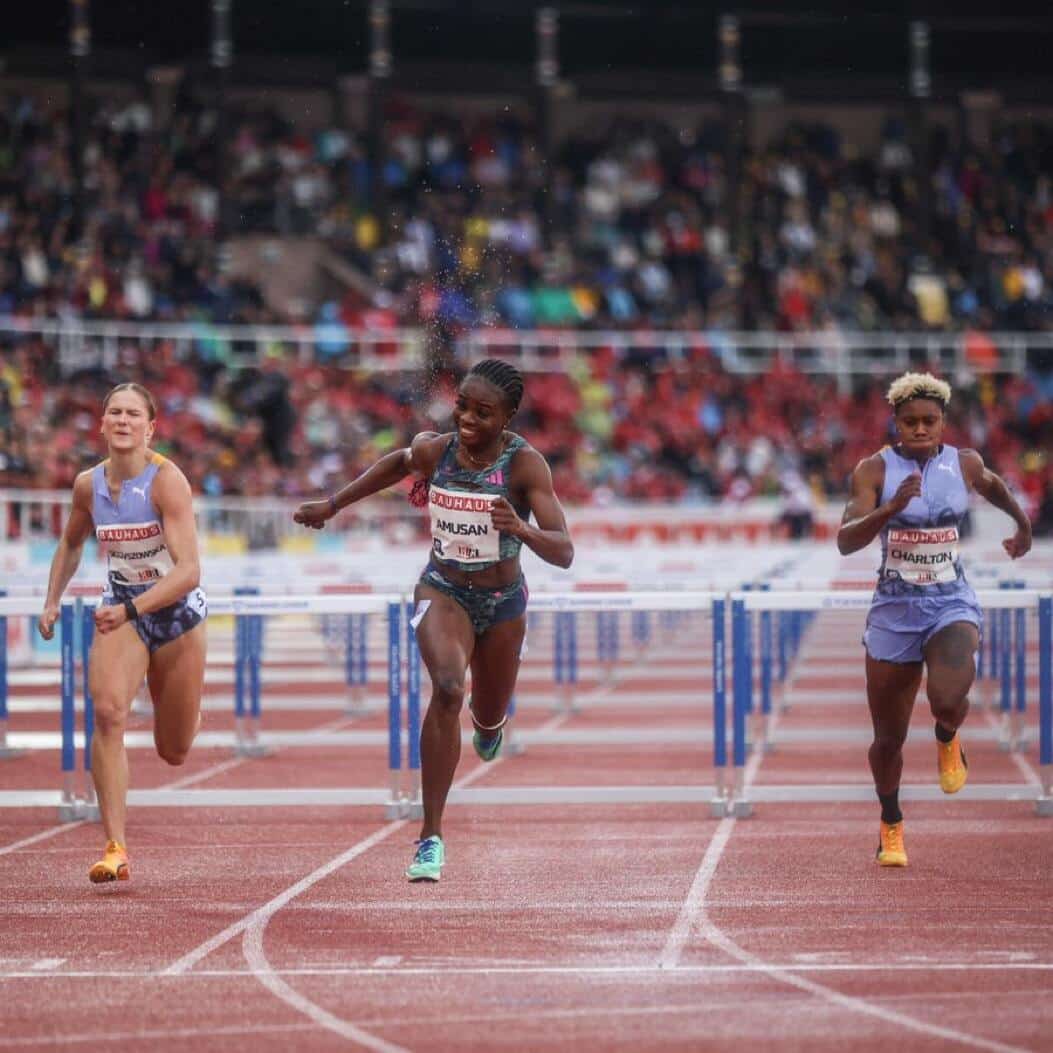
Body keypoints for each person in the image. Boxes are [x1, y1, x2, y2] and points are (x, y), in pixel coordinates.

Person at [294, 359, 574, 882]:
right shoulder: (436, 450)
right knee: (447, 688)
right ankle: (430, 836)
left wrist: (522, 529)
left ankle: (490, 723)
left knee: (487, 724)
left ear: (509, 416)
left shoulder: (525, 466)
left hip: (504, 602)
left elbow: (564, 552)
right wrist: (332, 506)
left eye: (482, 412)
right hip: (442, 590)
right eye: (462, 405)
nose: (466, 418)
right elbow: (395, 464)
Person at [837, 372, 1031, 867]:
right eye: (910, 422)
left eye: (929, 421)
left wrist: (1023, 525)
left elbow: (995, 487)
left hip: (950, 602)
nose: (920, 429)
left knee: (947, 699)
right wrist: (892, 508)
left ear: (943, 424)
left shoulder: (963, 463)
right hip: (893, 612)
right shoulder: (873, 471)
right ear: (895, 424)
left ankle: (947, 734)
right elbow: (846, 540)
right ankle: (891, 823)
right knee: (888, 740)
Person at [38, 383, 207, 884]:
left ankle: (190, 711)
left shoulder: (166, 481)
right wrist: (52, 599)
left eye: (134, 414)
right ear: (102, 423)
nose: (123, 420)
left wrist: (134, 609)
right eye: (115, 412)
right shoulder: (88, 486)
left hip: (175, 614)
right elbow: (70, 544)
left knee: (173, 750)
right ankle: (115, 846)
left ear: (151, 427)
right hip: (120, 610)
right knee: (108, 712)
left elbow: (189, 571)